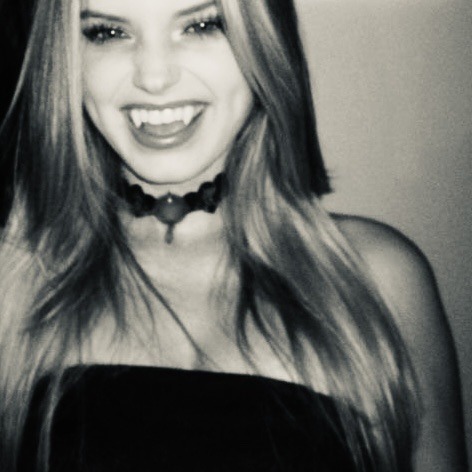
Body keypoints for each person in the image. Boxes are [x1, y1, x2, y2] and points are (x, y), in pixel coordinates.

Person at [0, 0, 467, 470]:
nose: (154, 77)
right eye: (107, 33)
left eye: (203, 25)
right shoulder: (15, 281)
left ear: (266, 44)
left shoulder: (378, 279)